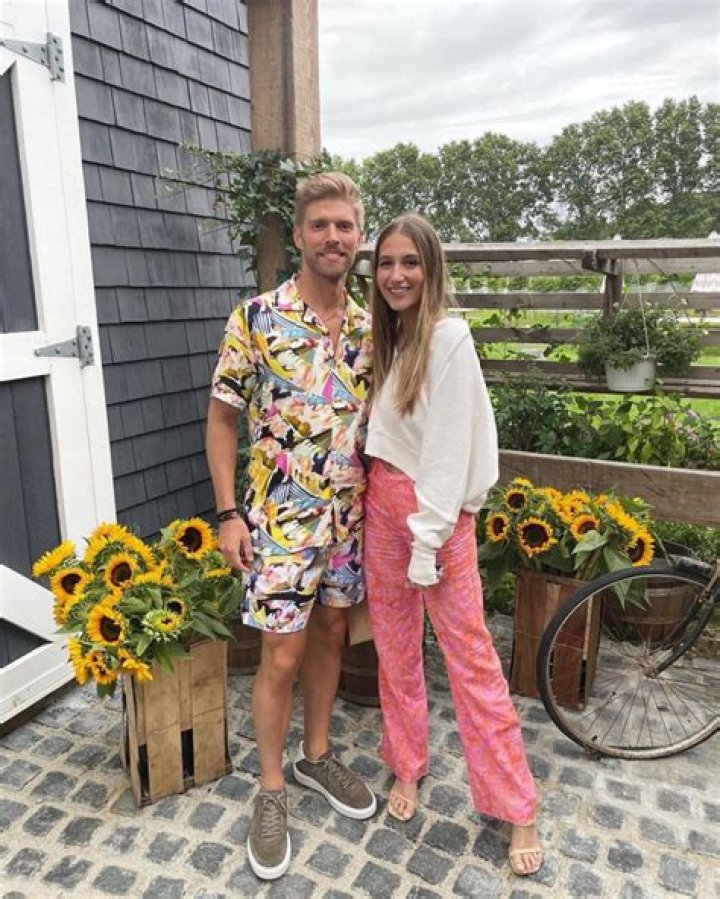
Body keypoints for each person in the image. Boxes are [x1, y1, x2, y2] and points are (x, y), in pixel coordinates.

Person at [206, 172, 376, 881]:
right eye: (320, 225)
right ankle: (271, 787)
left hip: (350, 518)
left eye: (345, 225)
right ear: (301, 234)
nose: (333, 237)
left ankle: (316, 756)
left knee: (332, 633)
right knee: (280, 652)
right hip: (279, 518)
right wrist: (227, 513)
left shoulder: (372, 327)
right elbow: (222, 418)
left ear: (358, 236)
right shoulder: (256, 318)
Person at [363, 213, 543, 877]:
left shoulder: (448, 337)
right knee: (394, 650)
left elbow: (447, 448)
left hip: (432, 519)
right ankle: (406, 763)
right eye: (386, 263)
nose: (397, 275)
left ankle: (517, 803)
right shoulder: (392, 335)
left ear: (431, 267)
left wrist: (427, 538)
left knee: (470, 660)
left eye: (409, 262)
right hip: (380, 505)